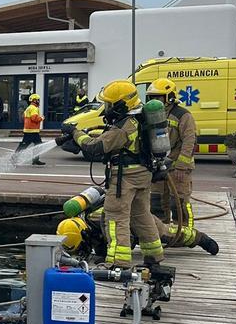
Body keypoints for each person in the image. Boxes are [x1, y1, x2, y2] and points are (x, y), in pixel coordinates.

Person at [58, 80, 164, 267]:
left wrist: (75, 132)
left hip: (126, 179)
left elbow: (95, 146)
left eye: (109, 104)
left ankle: (117, 261)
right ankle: (153, 256)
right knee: (142, 216)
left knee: (116, 218)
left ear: (122, 104)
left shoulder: (124, 126)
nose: (107, 108)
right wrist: (80, 136)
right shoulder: (138, 118)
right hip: (142, 174)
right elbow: (105, 140)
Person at [58, 205, 218, 260]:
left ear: (84, 235)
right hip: (126, 214)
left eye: (81, 246)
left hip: (137, 217)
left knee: (168, 234)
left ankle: (201, 239)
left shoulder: (101, 222)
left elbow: (126, 239)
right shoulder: (89, 223)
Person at [147, 77, 197, 240]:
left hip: (177, 167)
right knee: (157, 200)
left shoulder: (183, 115)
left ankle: (185, 232)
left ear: (169, 96)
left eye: (159, 97)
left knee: (179, 202)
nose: (155, 100)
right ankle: (161, 230)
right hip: (159, 166)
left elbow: (189, 140)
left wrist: (182, 166)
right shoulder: (151, 114)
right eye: (152, 97)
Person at [14, 93, 46, 165]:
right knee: (24, 145)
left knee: (37, 144)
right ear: (34, 100)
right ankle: (14, 158)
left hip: (31, 130)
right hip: (31, 131)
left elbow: (23, 116)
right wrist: (41, 118)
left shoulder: (29, 108)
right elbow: (34, 118)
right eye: (38, 100)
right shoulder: (34, 108)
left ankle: (35, 160)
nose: (39, 101)